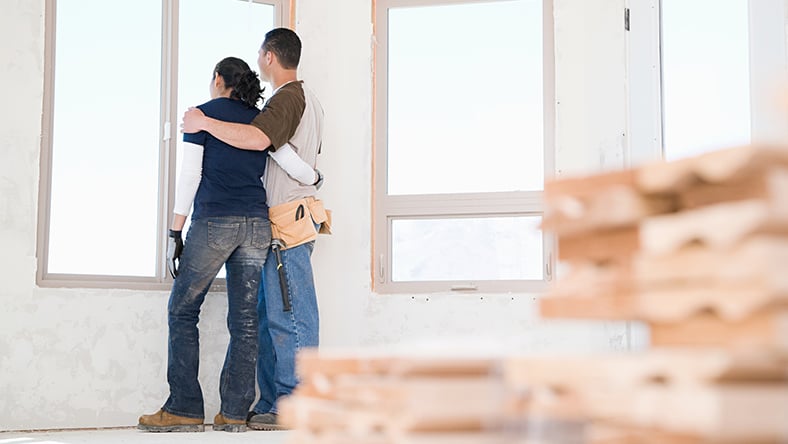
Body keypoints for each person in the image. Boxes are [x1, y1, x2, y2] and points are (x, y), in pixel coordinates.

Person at [138, 56, 315, 434]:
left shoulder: (201, 116)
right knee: (246, 321)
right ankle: (234, 412)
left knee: (183, 311)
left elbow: (190, 176)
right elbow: (290, 162)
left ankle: (184, 408)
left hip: (215, 222)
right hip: (256, 227)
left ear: (218, 80)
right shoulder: (259, 120)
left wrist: (174, 232)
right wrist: (315, 177)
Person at [182, 28, 326, 431]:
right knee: (272, 312)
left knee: (289, 314)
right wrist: (315, 178)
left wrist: (204, 122)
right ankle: (272, 403)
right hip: (287, 217)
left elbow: (258, 139)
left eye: (260, 53)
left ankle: (292, 405)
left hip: (285, 220)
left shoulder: (286, 98)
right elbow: (290, 156)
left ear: (268, 56)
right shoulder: (307, 98)